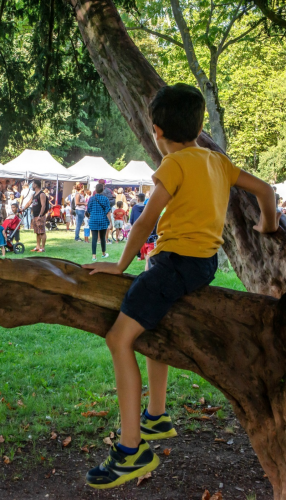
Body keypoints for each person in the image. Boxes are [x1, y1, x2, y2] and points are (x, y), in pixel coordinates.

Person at [82, 83, 280, 490]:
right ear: (198, 125)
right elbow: (264, 190)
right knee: (154, 330)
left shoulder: (174, 165)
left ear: (156, 131)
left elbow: (145, 221)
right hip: (204, 265)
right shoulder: (217, 162)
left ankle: (131, 450)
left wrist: (120, 265)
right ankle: (156, 416)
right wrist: (269, 225)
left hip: (174, 266)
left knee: (120, 340)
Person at [21, 179, 48, 253]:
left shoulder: (42, 194)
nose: (32, 185)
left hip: (40, 216)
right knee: (37, 232)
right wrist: (23, 208)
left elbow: (43, 206)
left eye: (33, 184)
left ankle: (42, 247)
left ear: (36, 185)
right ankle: (37, 246)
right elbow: (29, 202)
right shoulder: (34, 195)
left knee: (42, 231)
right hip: (35, 215)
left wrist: (40, 215)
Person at [87, 183, 111, 261]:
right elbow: (108, 211)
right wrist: (110, 222)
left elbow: (88, 210)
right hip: (103, 220)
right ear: (103, 189)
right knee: (103, 237)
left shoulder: (91, 199)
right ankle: (103, 253)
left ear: (95, 190)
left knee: (94, 238)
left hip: (93, 220)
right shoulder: (105, 199)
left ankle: (94, 256)